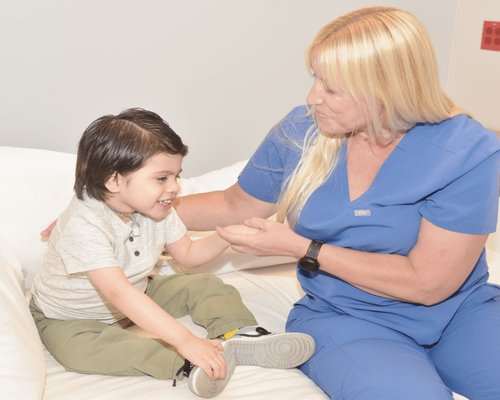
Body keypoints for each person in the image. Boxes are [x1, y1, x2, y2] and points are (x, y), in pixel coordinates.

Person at [171, 7, 500, 400]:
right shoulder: (301, 131)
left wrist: (303, 249)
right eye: (315, 79)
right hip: (346, 318)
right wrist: (130, 209)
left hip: (458, 313)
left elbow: (428, 283)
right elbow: (232, 206)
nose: (313, 98)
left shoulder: (466, 150)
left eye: (331, 88)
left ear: (386, 91)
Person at [31, 108, 315, 399]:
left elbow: (189, 255)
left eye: (177, 176)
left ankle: (239, 334)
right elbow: (118, 294)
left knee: (205, 285)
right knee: (80, 352)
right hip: (70, 318)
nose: (175, 188)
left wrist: (224, 236)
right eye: (162, 178)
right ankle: (187, 364)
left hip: (138, 292)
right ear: (113, 180)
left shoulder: (159, 211)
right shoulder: (84, 223)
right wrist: (186, 340)